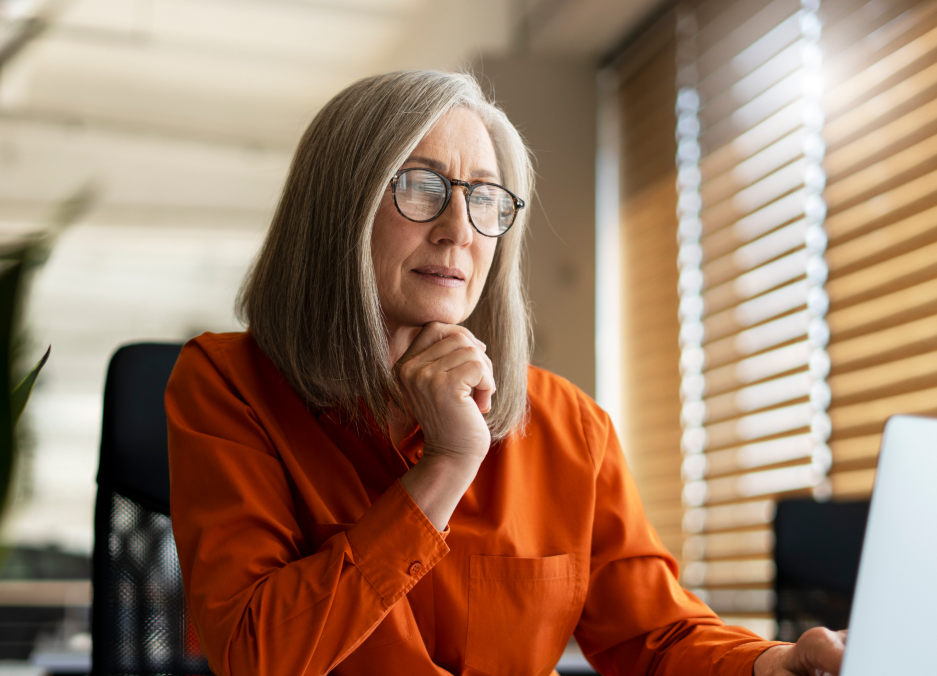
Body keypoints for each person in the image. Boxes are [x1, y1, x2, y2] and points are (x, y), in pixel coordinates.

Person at [165, 70, 846, 676]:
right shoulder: (227, 385)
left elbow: (655, 637)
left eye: (485, 198)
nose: (459, 228)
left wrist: (771, 664)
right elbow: (256, 656)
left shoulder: (568, 425)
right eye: (421, 186)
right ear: (339, 208)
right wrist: (446, 467)